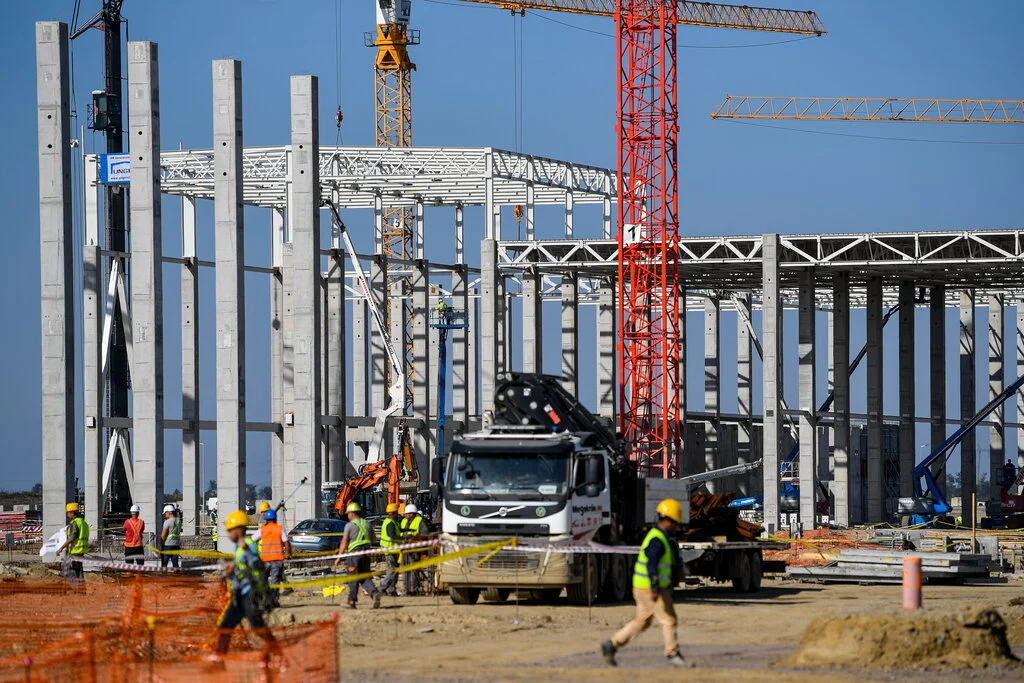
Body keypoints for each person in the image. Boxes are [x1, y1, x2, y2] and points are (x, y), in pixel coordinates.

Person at [601, 499, 686, 668]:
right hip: (651, 588)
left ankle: (612, 644)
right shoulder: (657, 540)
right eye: (675, 522)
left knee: (642, 621)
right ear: (668, 520)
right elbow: (652, 564)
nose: (676, 525)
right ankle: (672, 654)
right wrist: (655, 586)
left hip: (641, 586)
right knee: (668, 620)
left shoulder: (658, 537)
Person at [216, 509, 272, 654]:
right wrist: (230, 572)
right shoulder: (238, 548)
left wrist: (247, 550)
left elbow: (258, 566)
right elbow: (241, 570)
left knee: (258, 628)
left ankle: (276, 651)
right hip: (239, 595)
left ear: (238, 529)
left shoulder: (249, 545)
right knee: (225, 627)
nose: (228, 535)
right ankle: (219, 659)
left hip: (251, 594)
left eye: (230, 531)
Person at [331, 502, 381, 609]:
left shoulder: (349, 525)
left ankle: (351, 601)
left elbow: (344, 541)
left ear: (352, 513)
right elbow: (374, 539)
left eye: (348, 513)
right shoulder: (367, 523)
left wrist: (339, 557)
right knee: (365, 577)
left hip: (354, 554)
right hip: (367, 553)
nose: (348, 516)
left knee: (353, 577)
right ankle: (374, 593)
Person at [258, 509, 292, 608]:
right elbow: (286, 542)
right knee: (275, 582)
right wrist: (288, 553)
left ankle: (262, 601)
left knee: (263, 581)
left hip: (264, 560)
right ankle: (273, 602)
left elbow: (251, 539)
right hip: (277, 561)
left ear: (266, 519)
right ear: (275, 518)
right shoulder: (279, 529)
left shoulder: (262, 529)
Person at [56, 502, 90, 583]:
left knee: (73, 571)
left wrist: (61, 548)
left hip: (75, 551)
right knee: (79, 571)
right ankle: (81, 590)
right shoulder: (83, 522)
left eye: (68, 513)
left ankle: (76, 590)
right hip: (81, 551)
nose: (67, 515)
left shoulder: (75, 523)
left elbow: (72, 537)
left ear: (72, 513)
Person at [400, 503, 426, 596]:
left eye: (406, 513)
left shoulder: (420, 521)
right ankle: (406, 589)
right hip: (405, 549)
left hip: (414, 550)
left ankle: (413, 589)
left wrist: (414, 539)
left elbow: (424, 534)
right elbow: (400, 533)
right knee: (406, 570)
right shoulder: (403, 521)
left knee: (413, 570)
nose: (405, 515)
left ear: (411, 514)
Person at [378, 503, 402, 596]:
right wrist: (403, 538)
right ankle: (382, 588)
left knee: (395, 571)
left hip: (394, 550)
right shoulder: (390, 523)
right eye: (396, 512)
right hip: (390, 551)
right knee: (392, 571)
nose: (397, 514)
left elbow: (398, 531)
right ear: (394, 513)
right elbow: (392, 536)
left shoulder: (392, 522)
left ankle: (391, 590)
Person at [160, 503, 182, 568]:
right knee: (175, 562)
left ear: (169, 513)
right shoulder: (179, 521)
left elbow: (163, 535)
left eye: (165, 513)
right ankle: (176, 575)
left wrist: (161, 543)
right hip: (176, 544)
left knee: (165, 562)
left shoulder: (167, 522)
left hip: (168, 544)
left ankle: (163, 575)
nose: (165, 515)